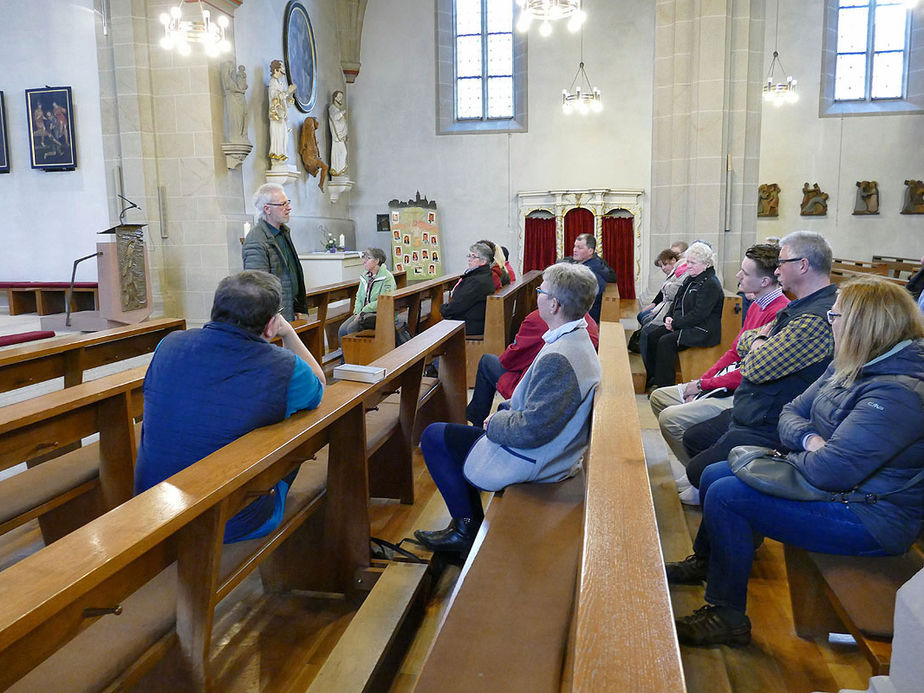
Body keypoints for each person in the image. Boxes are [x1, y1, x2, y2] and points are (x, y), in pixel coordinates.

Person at [666, 276, 924, 647]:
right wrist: (809, 438)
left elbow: (831, 470)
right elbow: (791, 411)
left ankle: (727, 615)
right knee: (715, 475)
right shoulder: (852, 362)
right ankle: (709, 561)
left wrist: (806, 446)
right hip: (841, 490)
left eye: (835, 317)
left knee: (727, 495)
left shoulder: (897, 391)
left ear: (863, 325)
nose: (829, 322)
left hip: (872, 516)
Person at [414, 262, 602, 554]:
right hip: (548, 448)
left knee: (434, 437)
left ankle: (466, 528)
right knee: (446, 436)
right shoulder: (573, 336)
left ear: (554, 304)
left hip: (539, 459)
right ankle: (466, 524)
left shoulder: (561, 357)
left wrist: (495, 424)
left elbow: (533, 430)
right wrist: (504, 411)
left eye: (541, 290)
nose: (537, 295)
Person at [134, 271, 326, 543]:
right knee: (293, 437)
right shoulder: (284, 367)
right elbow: (319, 386)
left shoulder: (169, 344)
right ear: (271, 325)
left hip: (153, 507)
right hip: (232, 520)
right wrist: (288, 332)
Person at [680, 231, 838, 496]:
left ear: (803, 265)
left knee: (700, 472)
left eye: (782, 262)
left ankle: (733, 502)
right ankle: (720, 495)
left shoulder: (814, 318)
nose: (777, 270)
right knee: (693, 438)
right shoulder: (799, 306)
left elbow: (754, 367)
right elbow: (745, 344)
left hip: (773, 421)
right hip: (754, 408)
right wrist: (759, 342)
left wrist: (758, 344)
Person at [649, 245, 789, 502]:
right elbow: (735, 352)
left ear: (765, 280)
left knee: (672, 418)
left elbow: (749, 370)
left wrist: (703, 386)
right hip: (729, 382)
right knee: (659, 397)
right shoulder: (757, 304)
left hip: (744, 394)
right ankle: (696, 470)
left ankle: (703, 479)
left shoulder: (779, 313)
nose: (737, 276)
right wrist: (701, 382)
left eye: (745, 273)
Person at [465, 306, 600, 428]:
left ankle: (477, 423)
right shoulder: (588, 321)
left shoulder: (538, 319)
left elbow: (510, 360)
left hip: (532, 390)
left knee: (487, 361)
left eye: (541, 291)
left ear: (553, 301)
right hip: (566, 394)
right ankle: (475, 416)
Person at [641, 242, 724, 389]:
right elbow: (677, 301)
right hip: (684, 323)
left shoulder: (710, 283)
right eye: (688, 262)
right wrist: (669, 316)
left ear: (706, 264)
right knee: (653, 336)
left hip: (702, 329)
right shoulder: (691, 278)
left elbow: (700, 314)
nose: (688, 266)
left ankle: (665, 387)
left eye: (692, 262)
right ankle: (653, 377)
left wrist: (675, 324)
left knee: (666, 342)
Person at [243, 183, 308, 321]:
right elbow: (257, 285)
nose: (289, 208)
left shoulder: (283, 232)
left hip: (287, 309)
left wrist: (295, 305)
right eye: (283, 204)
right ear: (267, 209)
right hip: (273, 316)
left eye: (287, 203)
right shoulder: (256, 239)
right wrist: (275, 315)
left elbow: (290, 271)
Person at [337, 247, 397, 342]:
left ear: (377, 261)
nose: (363, 262)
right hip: (363, 313)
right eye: (364, 258)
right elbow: (359, 297)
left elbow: (383, 301)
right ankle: (347, 357)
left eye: (368, 258)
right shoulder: (365, 276)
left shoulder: (387, 277)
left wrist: (364, 311)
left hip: (379, 314)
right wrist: (357, 312)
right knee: (342, 329)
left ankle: (358, 355)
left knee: (352, 328)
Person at [439, 243, 496, 335]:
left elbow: (458, 305)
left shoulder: (476, 280)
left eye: (473, 257)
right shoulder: (482, 275)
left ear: (483, 261)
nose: (470, 259)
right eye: (469, 256)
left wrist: (443, 309)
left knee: (432, 330)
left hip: (469, 325)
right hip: (474, 321)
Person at [572, 233, 618, 323]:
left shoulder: (589, 273)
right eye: (575, 246)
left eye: (580, 248)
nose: (575, 250)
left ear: (590, 251)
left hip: (585, 319)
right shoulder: (594, 264)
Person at [268, 60, 296, 162]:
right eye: (282, 67)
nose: (284, 70)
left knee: (284, 138)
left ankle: (282, 155)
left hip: (283, 115)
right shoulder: (273, 81)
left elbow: (285, 102)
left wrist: (290, 95)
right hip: (276, 116)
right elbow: (274, 97)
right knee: (278, 136)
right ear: (276, 69)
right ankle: (277, 155)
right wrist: (287, 92)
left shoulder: (280, 83)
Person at [328, 90, 348, 176]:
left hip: (340, 136)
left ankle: (339, 171)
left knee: (343, 152)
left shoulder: (336, 109)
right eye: (339, 97)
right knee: (342, 152)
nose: (340, 99)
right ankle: (336, 171)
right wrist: (343, 112)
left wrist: (345, 133)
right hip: (337, 136)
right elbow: (335, 117)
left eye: (341, 98)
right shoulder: (332, 108)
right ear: (335, 98)